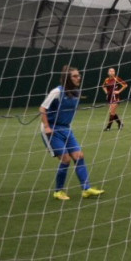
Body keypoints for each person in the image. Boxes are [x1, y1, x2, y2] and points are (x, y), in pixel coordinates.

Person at [40, 65, 105, 201]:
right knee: (66, 159)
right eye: (75, 76)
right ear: (67, 78)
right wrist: (47, 126)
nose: (78, 77)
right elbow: (42, 108)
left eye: (79, 75)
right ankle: (58, 191)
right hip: (52, 129)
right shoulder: (56, 92)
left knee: (79, 156)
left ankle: (86, 189)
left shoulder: (76, 92)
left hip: (66, 129)